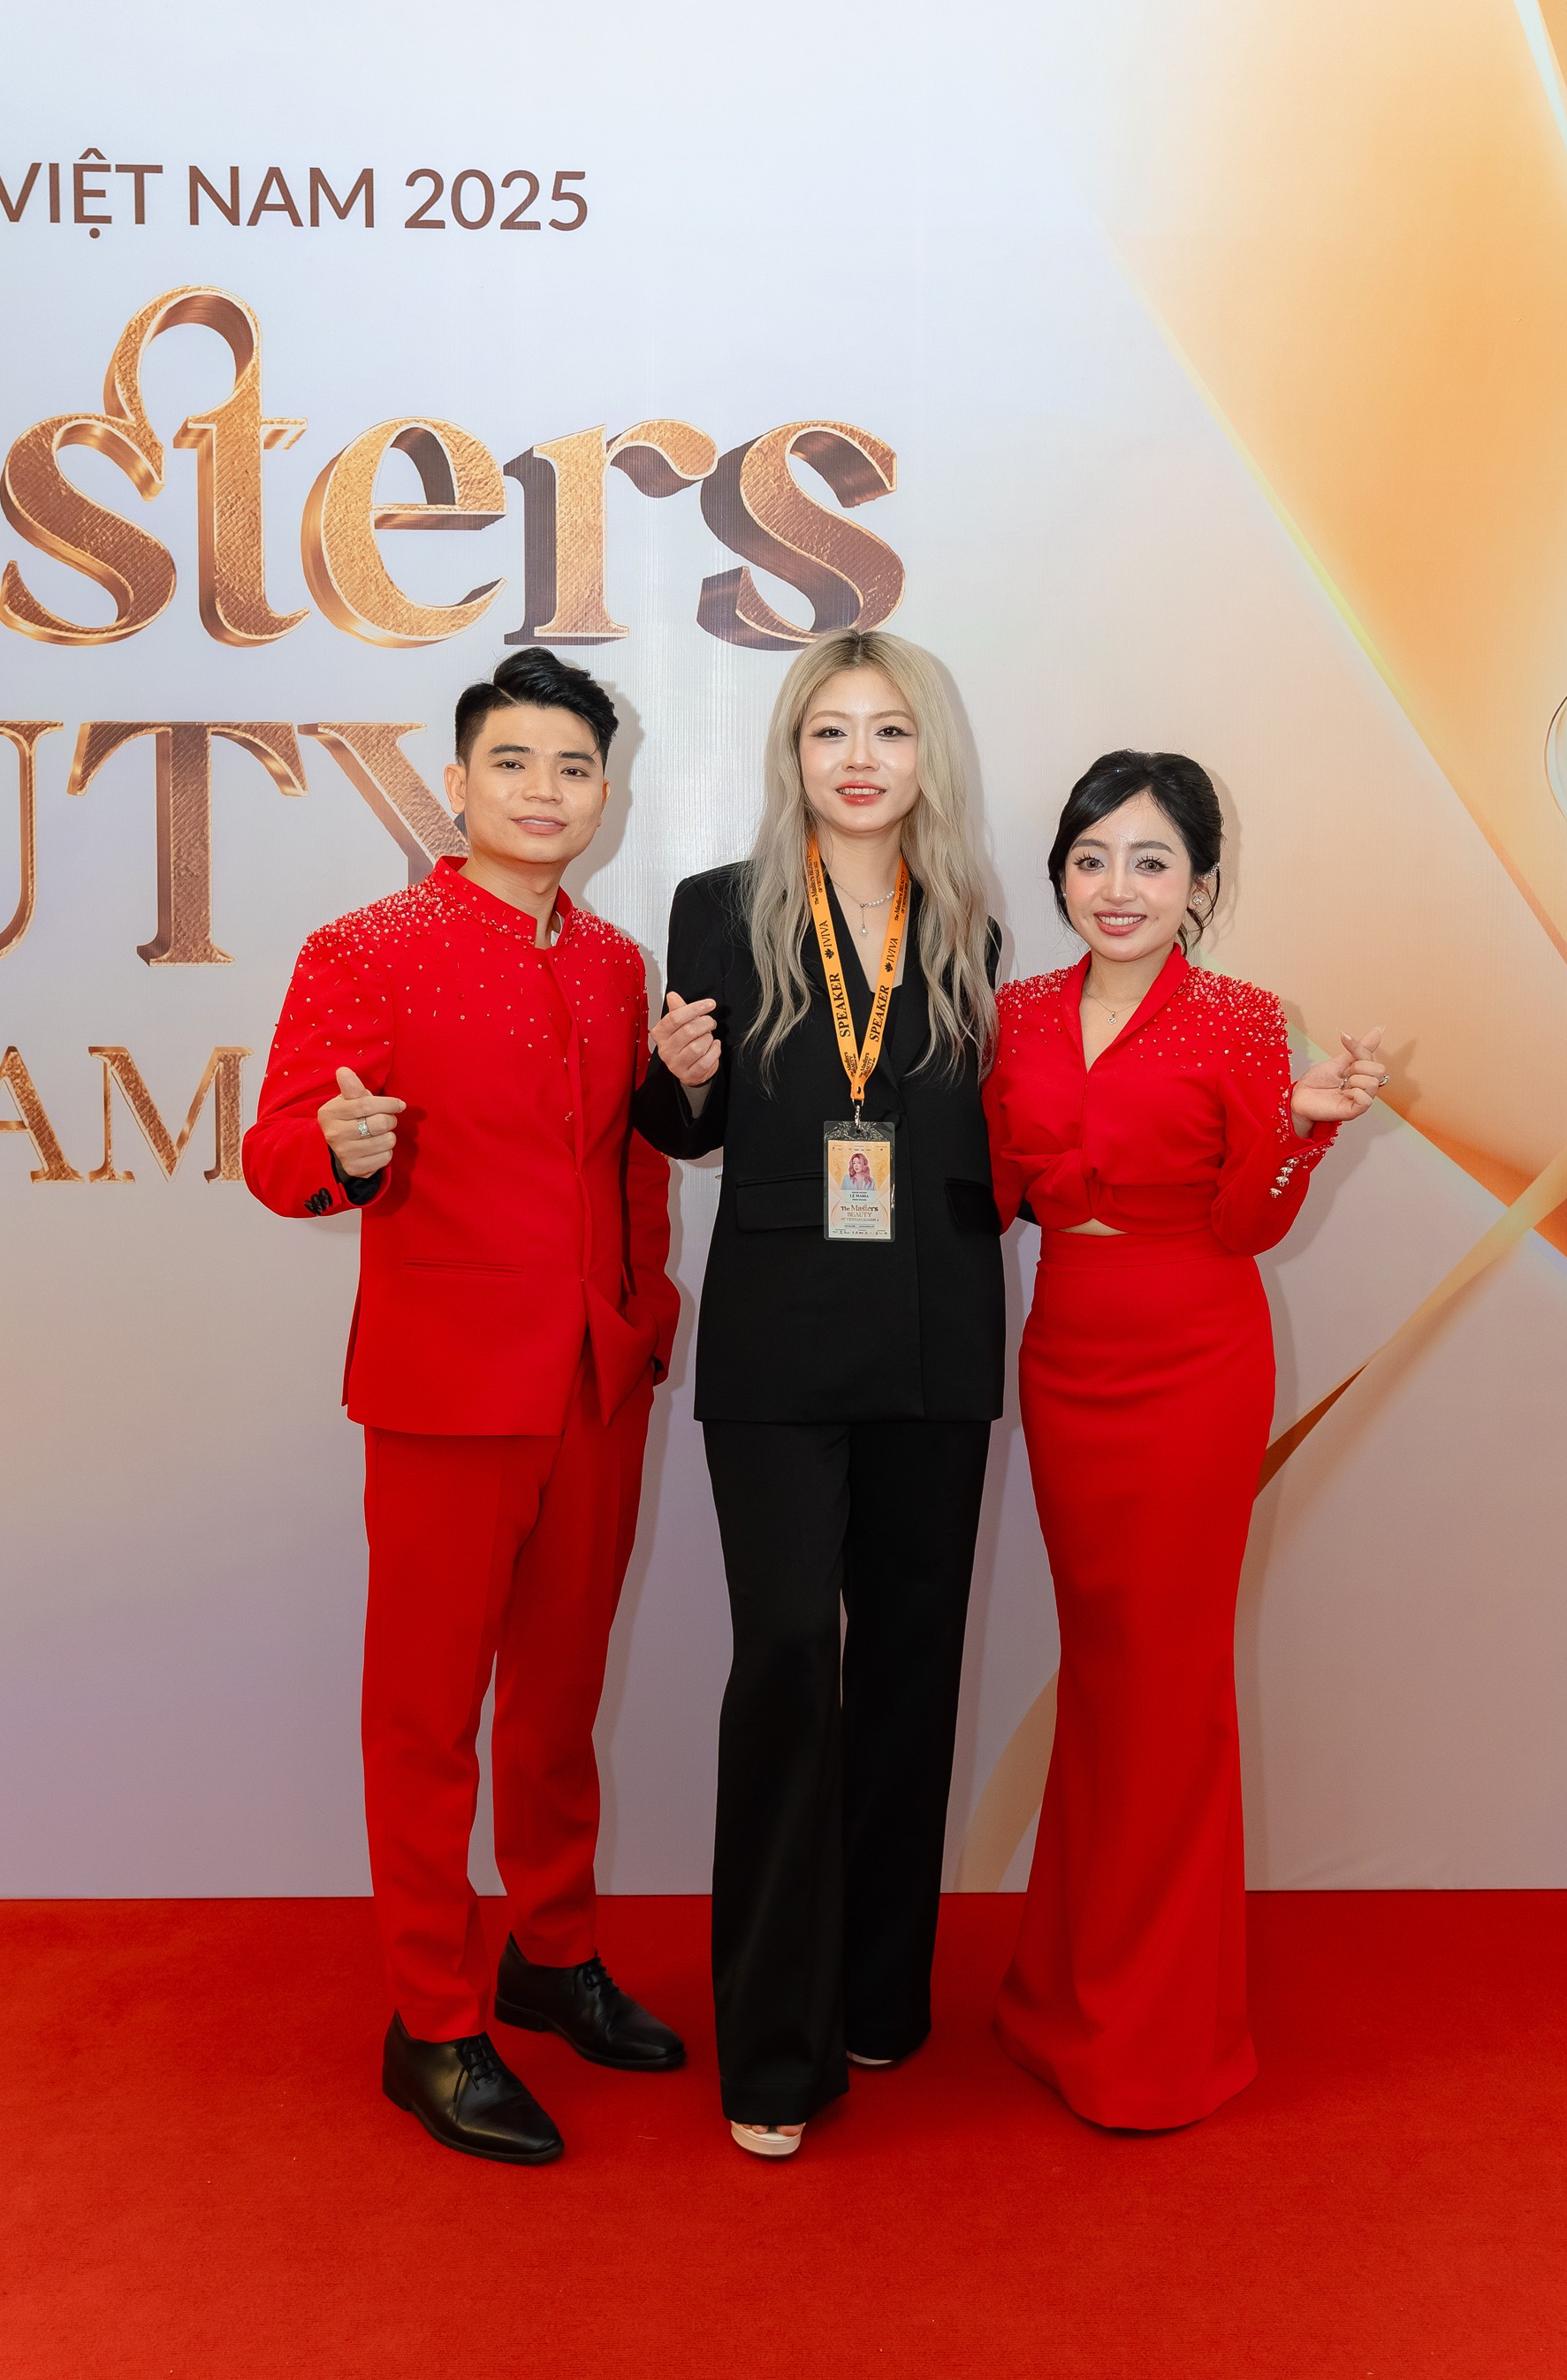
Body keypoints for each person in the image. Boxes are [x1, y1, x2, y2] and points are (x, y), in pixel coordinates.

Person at [244, 648, 684, 2167]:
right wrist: (343, 1149)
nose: (544, 792)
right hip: (445, 1392)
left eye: (573, 767)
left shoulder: (616, 962)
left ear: (605, 792)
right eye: (513, 762)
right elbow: (279, 1147)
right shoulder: (367, 947)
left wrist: (644, 1320)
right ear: (456, 781)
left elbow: (631, 1160)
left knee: (560, 1702)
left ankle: (550, 1955)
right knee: (427, 1719)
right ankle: (430, 2020)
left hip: (596, 1383)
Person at [635, 628, 1003, 2158]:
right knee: (791, 1657)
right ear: (791, 752)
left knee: (913, 1667)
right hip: (781, 1339)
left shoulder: (975, 926)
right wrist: (681, 1076)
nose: (861, 759)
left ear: (929, 755)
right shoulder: (719, 909)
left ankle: (879, 1991)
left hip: (937, 1334)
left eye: (890, 731)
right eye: (830, 731)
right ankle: (774, 2055)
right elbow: (684, 1126)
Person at [982, 749, 1384, 2130]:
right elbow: (990, 1191)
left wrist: (1304, 1132)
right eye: (1092, 858)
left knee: (1169, 1682)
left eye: (1151, 862)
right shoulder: (1014, 1015)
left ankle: (1153, 2031)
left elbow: (1247, 1224)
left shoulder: (1244, 1021)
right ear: (1061, 874)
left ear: (1200, 884)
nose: (1119, 887)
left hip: (1197, 1359)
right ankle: (1061, 1994)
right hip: (1066, 1356)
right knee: (1103, 1675)